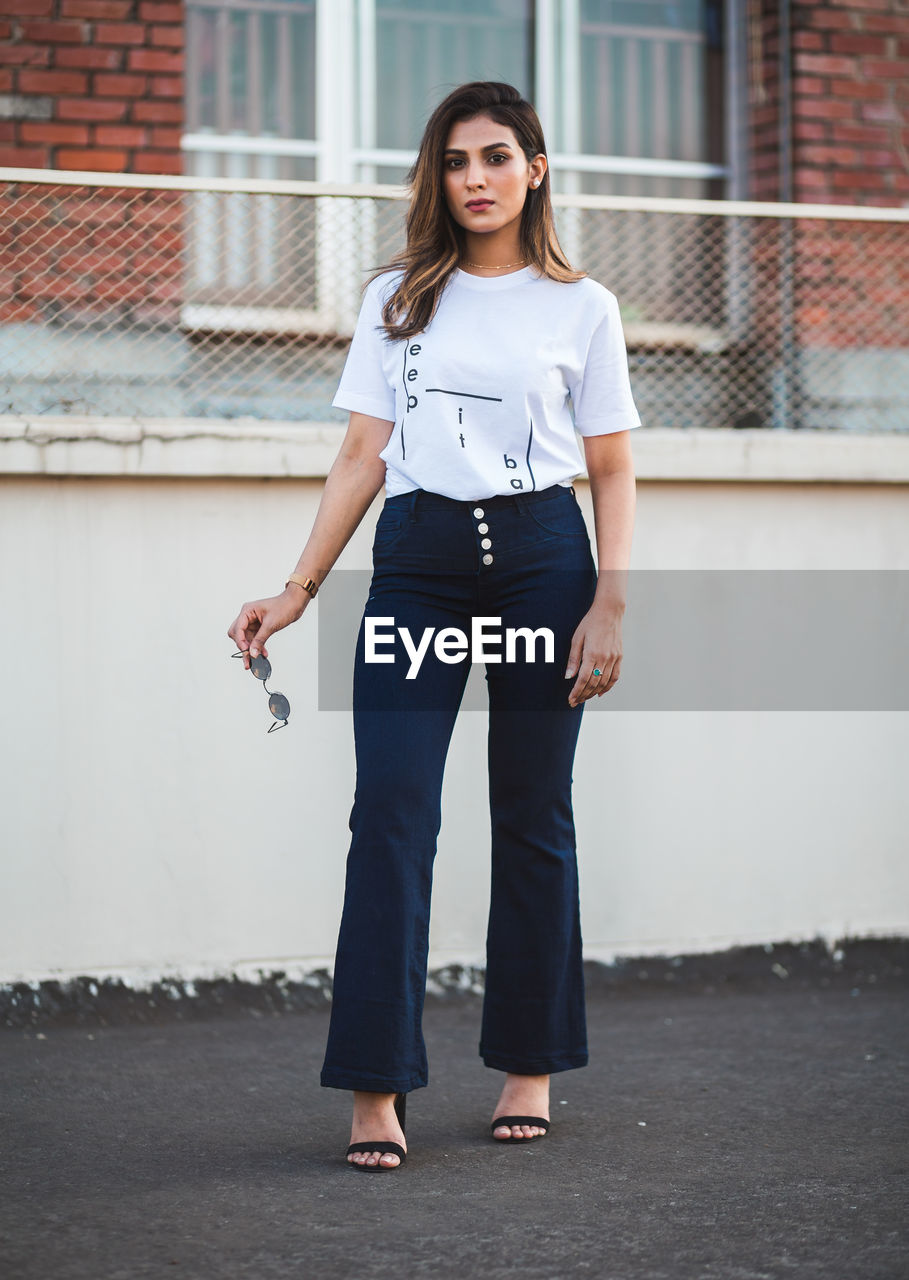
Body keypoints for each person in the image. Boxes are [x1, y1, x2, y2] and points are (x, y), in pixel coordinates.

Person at [227, 80, 641, 1171]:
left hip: (548, 570)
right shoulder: (397, 299)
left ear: (534, 169)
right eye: (457, 162)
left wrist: (610, 599)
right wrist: (298, 588)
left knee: (533, 815)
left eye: (497, 157)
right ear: (437, 177)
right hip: (417, 572)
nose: (476, 179)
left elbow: (610, 466)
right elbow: (363, 454)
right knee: (394, 814)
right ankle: (376, 1083)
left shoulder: (582, 307)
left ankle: (530, 1064)